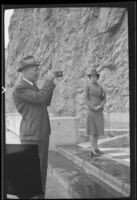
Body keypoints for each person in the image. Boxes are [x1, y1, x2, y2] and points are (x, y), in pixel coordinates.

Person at [12, 55, 57, 199]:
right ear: (24, 71)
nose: (38, 72)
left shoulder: (31, 84)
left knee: (40, 170)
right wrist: (48, 82)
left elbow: (45, 101)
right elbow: (40, 98)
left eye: (38, 69)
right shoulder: (20, 87)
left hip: (39, 133)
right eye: (34, 70)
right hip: (33, 134)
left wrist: (50, 84)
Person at [85, 69, 106, 157]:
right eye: (92, 76)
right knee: (92, 131)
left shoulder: (100, 87)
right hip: (91, 112)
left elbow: (104, 98)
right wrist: (94, 107)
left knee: (97, 131)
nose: (93, 78)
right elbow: (86, 99)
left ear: (97, 77)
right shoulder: (87, 86)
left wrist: (100, 106)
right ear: (90, 78)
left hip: (99, 112)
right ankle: (92, 150)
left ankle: (96, 148)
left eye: (95, 76)